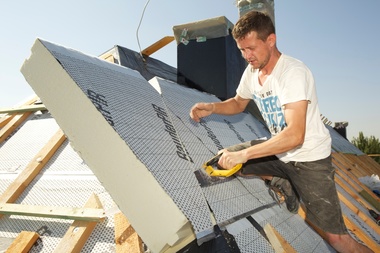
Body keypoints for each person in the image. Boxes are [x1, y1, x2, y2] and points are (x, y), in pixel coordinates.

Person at [189, 11, 373, 253]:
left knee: (337, 239)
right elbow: (238, 102)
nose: (246, 56)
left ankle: (291, 180)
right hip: (280, 152)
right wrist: (212, 107)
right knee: (224, 160)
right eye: (242, 50)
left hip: (309, 160)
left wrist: (246, 154)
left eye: (251, 49)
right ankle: (282, 181)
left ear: (271, 40)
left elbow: (295, 135)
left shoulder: (293, 73)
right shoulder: (252, 73)